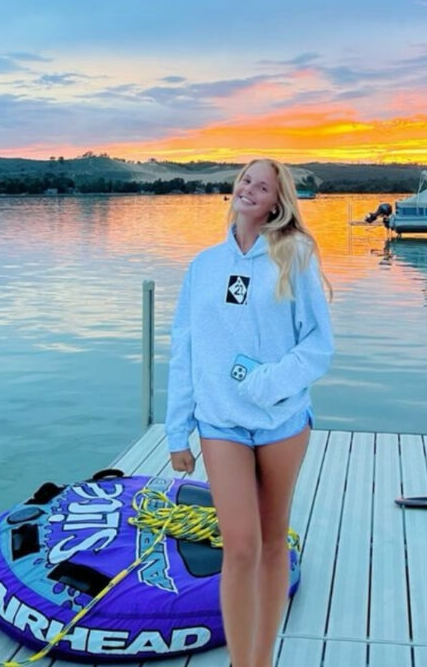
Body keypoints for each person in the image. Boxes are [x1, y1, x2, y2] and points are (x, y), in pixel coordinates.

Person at [165, 158, 334, 667]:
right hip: (221, 423)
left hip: (282, 421)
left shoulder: (296, 256)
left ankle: (262, 660)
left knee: (271, 540)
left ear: (277, 202)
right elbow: (184, 350)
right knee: (239, 546)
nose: (250, 189)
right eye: (245, 180)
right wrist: (178, 430)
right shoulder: (204, 267)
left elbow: (317, 346)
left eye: (262, 186)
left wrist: (267, 383)